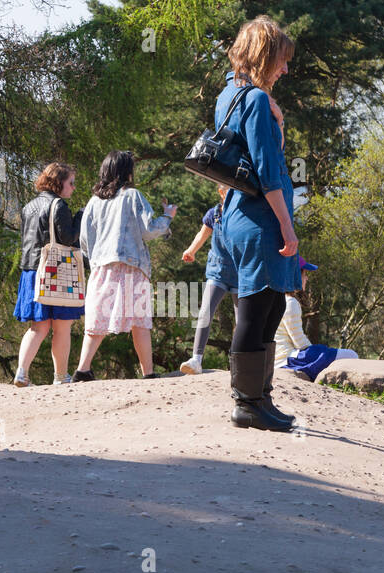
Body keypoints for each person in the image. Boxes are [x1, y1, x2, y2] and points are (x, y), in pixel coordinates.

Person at [213, 15, 300, 431]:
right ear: (264, 56)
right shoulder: (257, 101)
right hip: (259, 218)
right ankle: (247, 403)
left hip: (234, 216)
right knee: (256, 305)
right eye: (280, 61)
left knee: (272, 303)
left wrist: (275, 118)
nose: (285, 69)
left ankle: (260, 398)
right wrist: (287, 226)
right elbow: (267, 170)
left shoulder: (229, 95)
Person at [74, 151, 175, 380]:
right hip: (131, 266)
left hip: (102, 266)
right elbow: (148, 230)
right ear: (127, 172)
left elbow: (84, 240)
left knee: (97, 320)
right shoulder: (133, 196)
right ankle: (148, 373)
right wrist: (167, 216)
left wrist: (97, 260)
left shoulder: (93, 202)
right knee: (139, 320)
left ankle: (83, 369)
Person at [14, 162, 84, 386]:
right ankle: (61, 377)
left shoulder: (28, 206)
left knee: (38, 327)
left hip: (31, 271)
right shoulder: (59, 206)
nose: (73, 188)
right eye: (70, 183)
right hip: (56, 271)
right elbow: (68, 238)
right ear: (58, 182)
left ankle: (21, 373)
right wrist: (81, 216)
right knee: (62, 326)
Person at [178, 185, 237, 375]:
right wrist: (191, 250)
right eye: (229, 191)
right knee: (205, 311)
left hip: (240, 273)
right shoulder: (214, 214)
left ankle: (240, 360)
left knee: (243, 320)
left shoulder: (243, 215)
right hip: (218, 271)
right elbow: (202, 234)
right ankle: (196, 359)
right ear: (221, 193)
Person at [276, 259, 359, 380]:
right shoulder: (290, 302)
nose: (307, 279)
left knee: (326, 351)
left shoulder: (276, 300)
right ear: (295, 276)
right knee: (351, 355)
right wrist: (317, 352)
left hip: (279, 359)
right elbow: (300, 343)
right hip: (289, 360)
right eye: (305, 274)